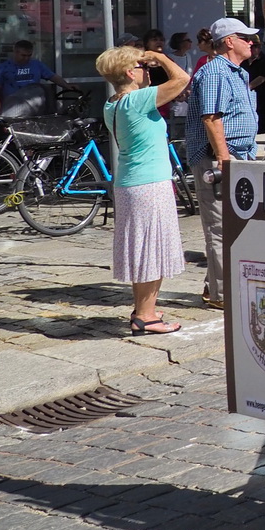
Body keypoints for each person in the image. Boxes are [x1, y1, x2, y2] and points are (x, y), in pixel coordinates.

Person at [97, 44, 192, 335]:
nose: (147, 72)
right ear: (130, 72)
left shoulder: (113, 102)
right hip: (149, 183)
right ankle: (148, 316)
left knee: (143, 251)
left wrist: (149, 64)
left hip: (130, 182)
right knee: (152, 251)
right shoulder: (137, 100)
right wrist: (162, 57)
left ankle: (143, 310)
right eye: (143, 67)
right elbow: (182, 80)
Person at [186, 18, 261, 309]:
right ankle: (221, 295)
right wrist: (224, 159)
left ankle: (214, 287)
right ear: (230, 41)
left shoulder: (236, 72)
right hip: (218, 158)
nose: (251, 43)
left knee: (235, 225)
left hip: (237, 156)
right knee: (221, 227)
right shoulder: (216, 72)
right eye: (246, 38)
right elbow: (212, 118)